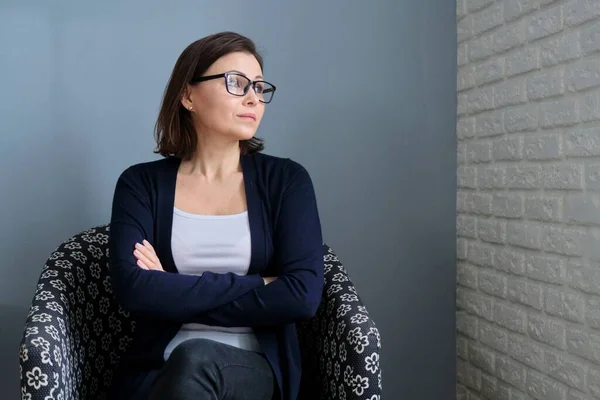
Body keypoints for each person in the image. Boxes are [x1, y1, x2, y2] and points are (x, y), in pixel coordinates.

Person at [107, 31, 324, 400]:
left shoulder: (286, 181)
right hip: (156, 371)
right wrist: (262, 284)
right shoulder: (140, 184)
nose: (253, 97)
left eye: (258, 86)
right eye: (236, 83)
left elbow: (302, 295)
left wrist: (172, 287)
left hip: (252, 370)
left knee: (196, 359)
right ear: (188, 95)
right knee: (186, 363)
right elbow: (135, 289)